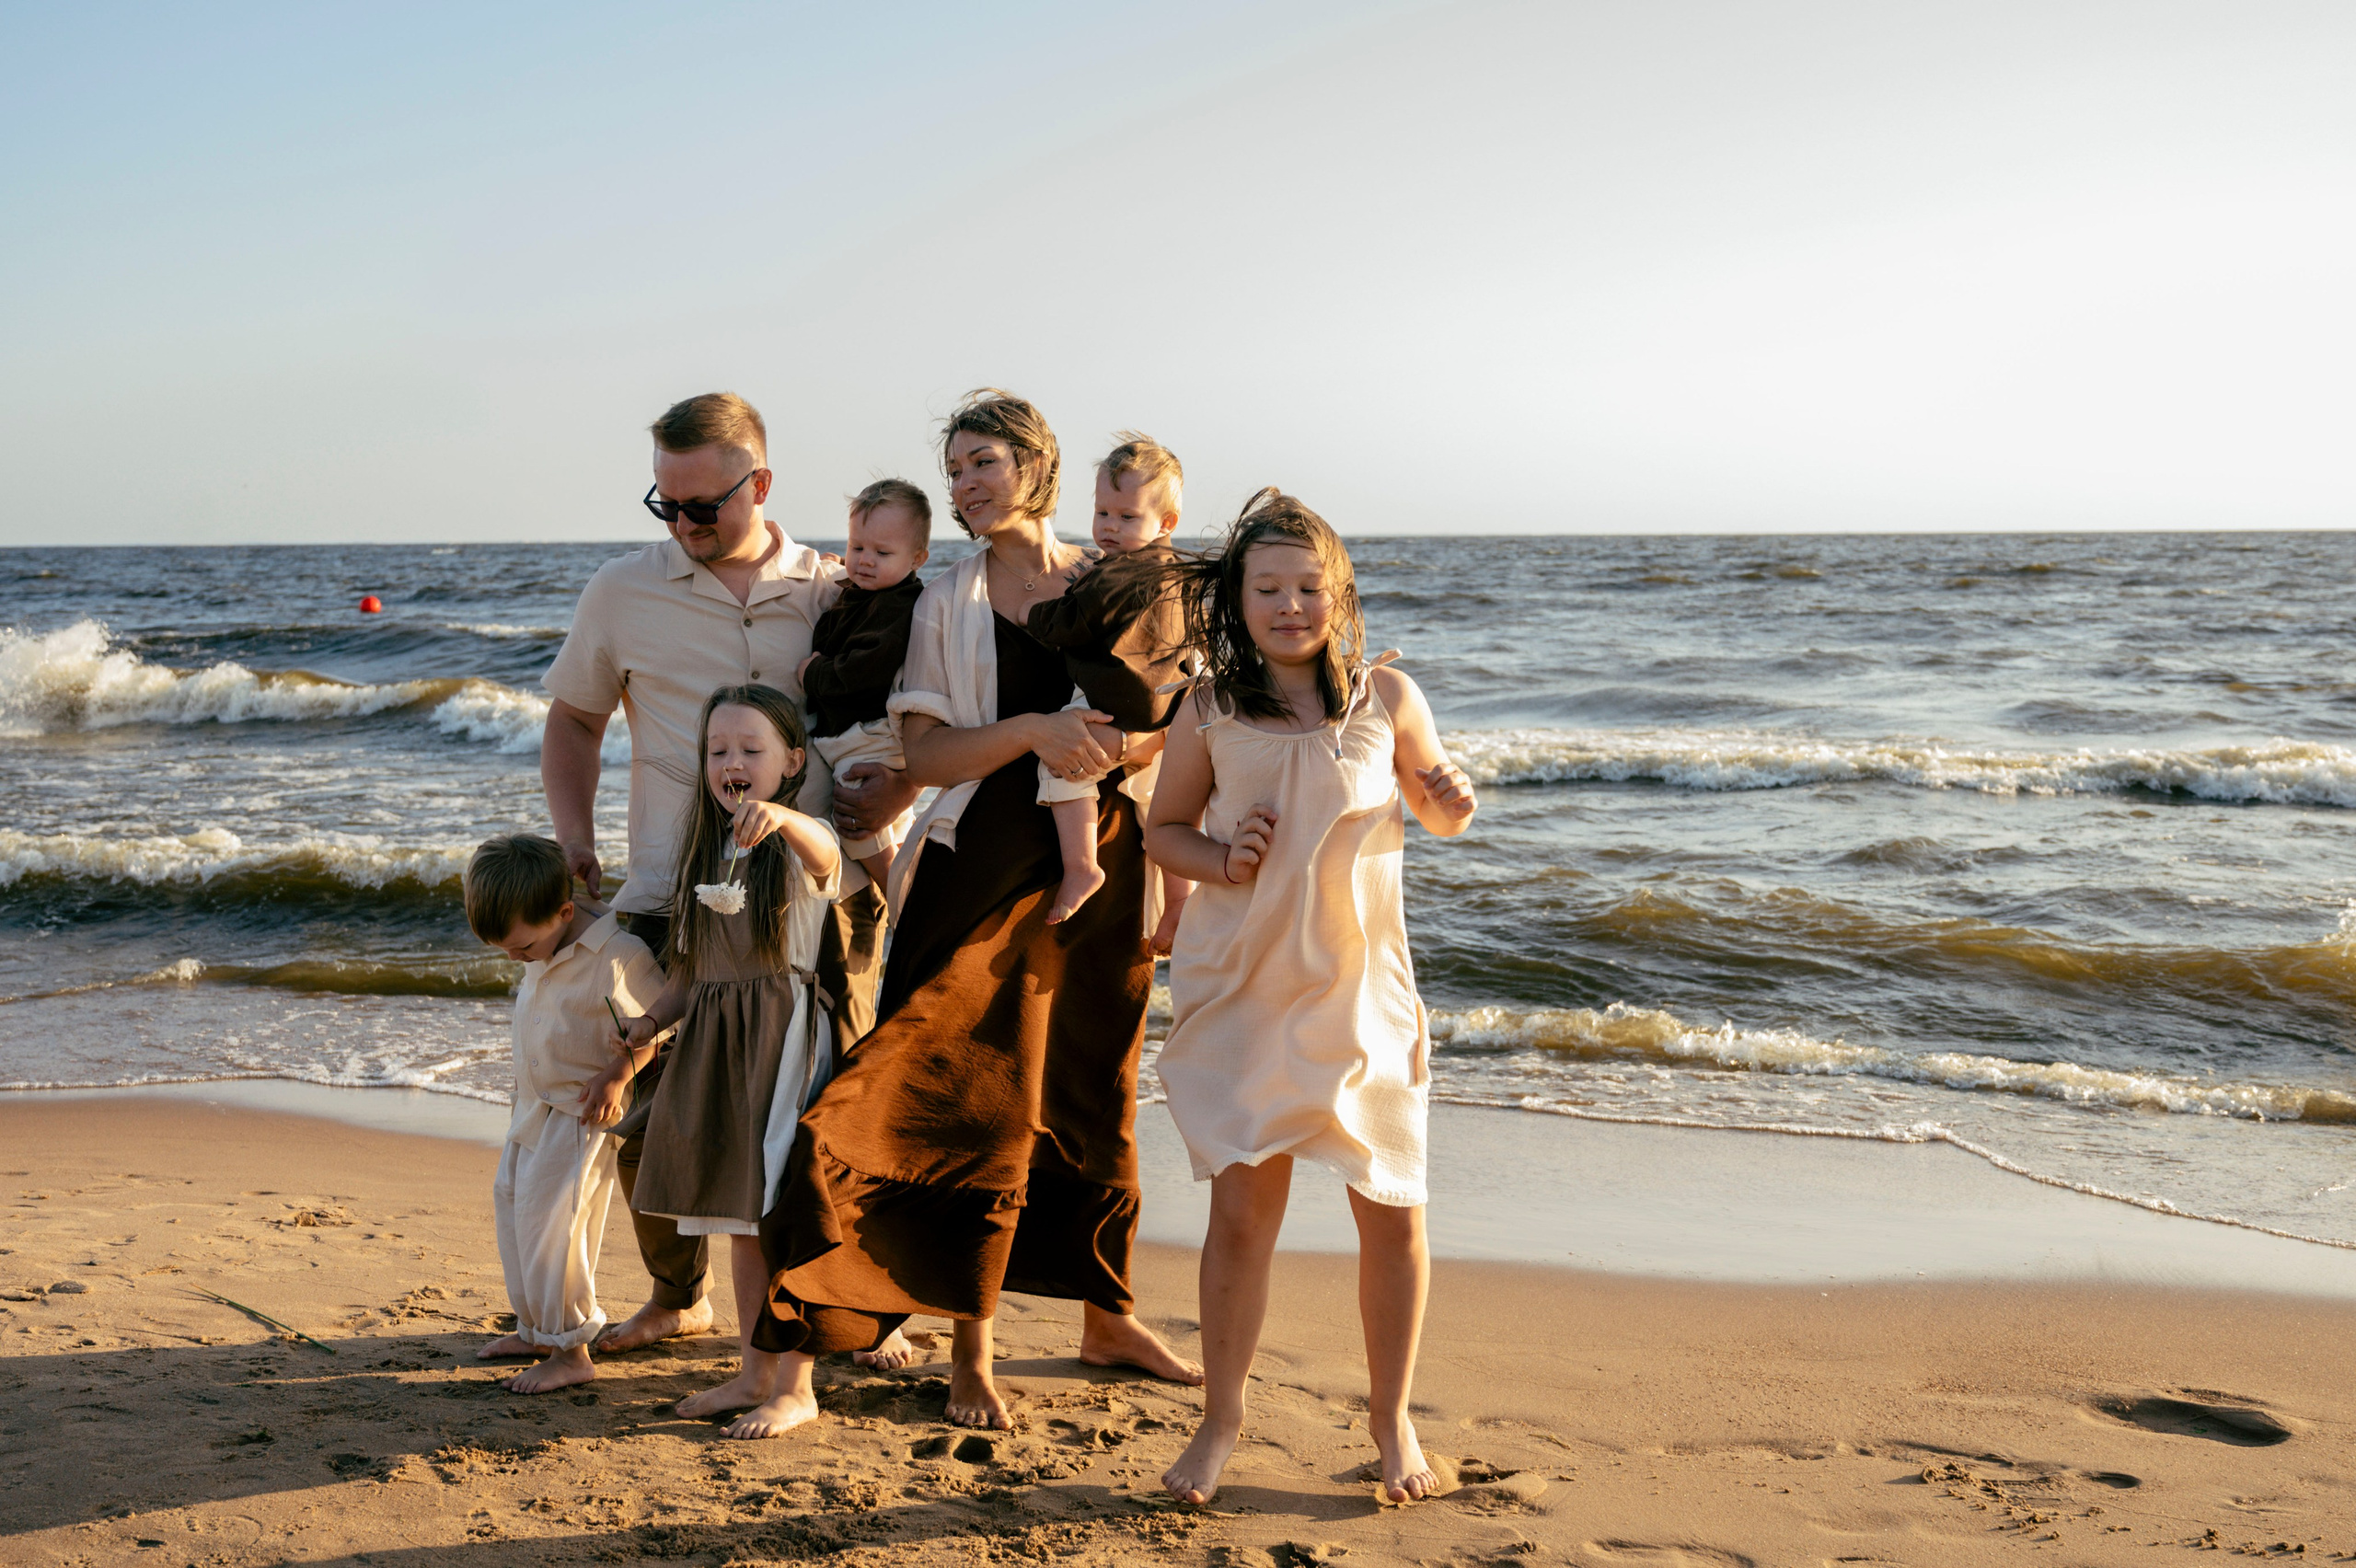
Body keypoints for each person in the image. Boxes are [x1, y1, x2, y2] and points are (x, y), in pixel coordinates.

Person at [752, 388, 1200, 1440]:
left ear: (1036, 467)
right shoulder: (941, 599)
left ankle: (1108, 1317)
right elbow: (927, 758)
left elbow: (1167, 722)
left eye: (982, 463)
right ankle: (970, 1347)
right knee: (963, 1093)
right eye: (952, 470)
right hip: (980, 865)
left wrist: (1121, 758)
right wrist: (1038, 729)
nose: (964, 485)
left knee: (1092, 1086)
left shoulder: (1115, 578)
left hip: (1104, 860)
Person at [540, 393, 920, 1355]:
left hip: (818, 900)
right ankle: (678, 1295)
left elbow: (900, 707)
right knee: (644, 1107)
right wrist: (573, 835)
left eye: (702, 505)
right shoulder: (621, 592)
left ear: (759, 485)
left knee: (826, 1111)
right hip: (674, 893)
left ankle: (837, 1311)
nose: (681, 523)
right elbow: (574, 719)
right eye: (663, 503)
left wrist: (897, 794)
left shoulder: (838, 588)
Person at [1141, 488, 1479, 1507]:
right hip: (1248, 985)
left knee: (1392, 1209)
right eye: (1268, 588)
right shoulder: (1206, 709)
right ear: (1236, 599)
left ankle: (1390, 1422)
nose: (1290, 606)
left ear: (1339, 594)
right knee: (1244, 1213)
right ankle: (1222, 1422)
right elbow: (1163, 833)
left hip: (1360, 987)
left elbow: (1433, 804)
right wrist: (1223, 856)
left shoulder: (1387, 696)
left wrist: (1453, 803)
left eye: (1308, 587)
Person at [611, 685, 862, 1437]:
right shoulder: (707, 846)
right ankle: (754, 1369)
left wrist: (787, 819)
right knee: (740, 1217)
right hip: (717, 1042)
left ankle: (797, 1383)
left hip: (781, 1036)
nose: (732, 763)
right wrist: (653, 1020)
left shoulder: (796, 838)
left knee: (783, 1210)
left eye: (751, 750)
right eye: (718, 751)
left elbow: (831, 860)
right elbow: (693, 967)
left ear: (790, 761)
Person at [462, 833, 666, 1395]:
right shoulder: (545, 941)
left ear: (565, 912)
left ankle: (571, 1349)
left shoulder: (618, 957)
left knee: (553, 1226)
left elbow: (657, 1023)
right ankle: (537, 1329)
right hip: (532, 1106)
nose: (516, 958)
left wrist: (619, 1074)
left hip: (581, 1113)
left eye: (522, 949)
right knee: (514, 1208)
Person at [1026, 434, 1195, 943]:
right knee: (1165, 813)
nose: (1109, 528)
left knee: (1061, 769)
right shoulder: (1183, 574)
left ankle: (1082, 866)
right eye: (1103, 513)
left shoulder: (1111, 573)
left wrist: (1038, 613)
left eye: (1126, 517)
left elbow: (1071, 623)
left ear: (1165, 523)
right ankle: (1181, 903)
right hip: (1170, 714)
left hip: (1110, 706)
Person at [795, 479, 930, 894]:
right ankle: (911, 888)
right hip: (861, 731)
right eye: (858, 548)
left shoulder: (899, 606)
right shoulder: (870, 591)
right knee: (889, 828)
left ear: (918, 559)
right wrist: (841, 571)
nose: (866, 561)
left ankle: (902, 901)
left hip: (866, 732)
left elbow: (861, 673)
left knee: (857, 823)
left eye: (882, 553)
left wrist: (811, 675)